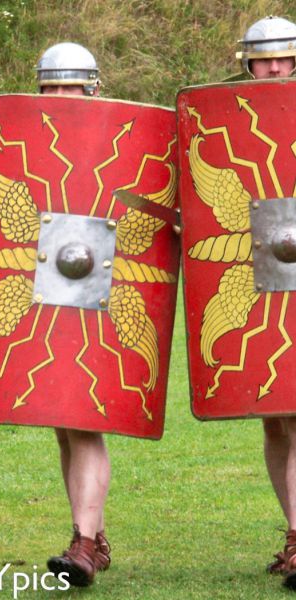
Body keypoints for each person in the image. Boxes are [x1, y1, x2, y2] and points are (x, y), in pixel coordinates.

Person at [35, 42, 112, 588]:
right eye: (51, 88)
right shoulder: (28, 143)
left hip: (103, 293)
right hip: (44, 293)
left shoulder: (121, 137)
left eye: (70, 87)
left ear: (92, 88)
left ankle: (85, 543)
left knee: (83, 419)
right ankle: (92, 537)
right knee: (65, 422)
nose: (61, 98)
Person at [235, 15, 296, 590]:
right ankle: (295, 533)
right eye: (264, 57)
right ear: (248, 63)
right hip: (256, 289)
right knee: (277, 425)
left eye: (284, 57)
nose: (274, 67)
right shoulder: (227, 125)